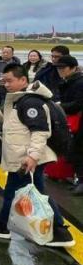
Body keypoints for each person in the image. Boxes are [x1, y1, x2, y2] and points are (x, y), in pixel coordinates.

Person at [0, 65, 75, 247]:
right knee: (21, 191)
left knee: (25, 192)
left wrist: (33, 157)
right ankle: (3, 225)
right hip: (23, 157)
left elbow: (40, 132)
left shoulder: (30, 103)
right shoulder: (19, 99)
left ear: (23, 80)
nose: (6, 84)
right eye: (3, 81)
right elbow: (13, 119)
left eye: (10, 81)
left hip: (27, 159)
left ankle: (59, 231)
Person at [54, 55, 83, 196]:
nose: (60, 71)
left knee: (78, 151)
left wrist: (60, 106)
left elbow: (78, 103)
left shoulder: (79, 82)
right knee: (74, 151)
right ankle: (79, 181)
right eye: (58, 68)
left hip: (79, 120)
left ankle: (81, 182)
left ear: (73, 68)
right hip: (72, 120)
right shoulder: (67, 81)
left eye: (63, 68)